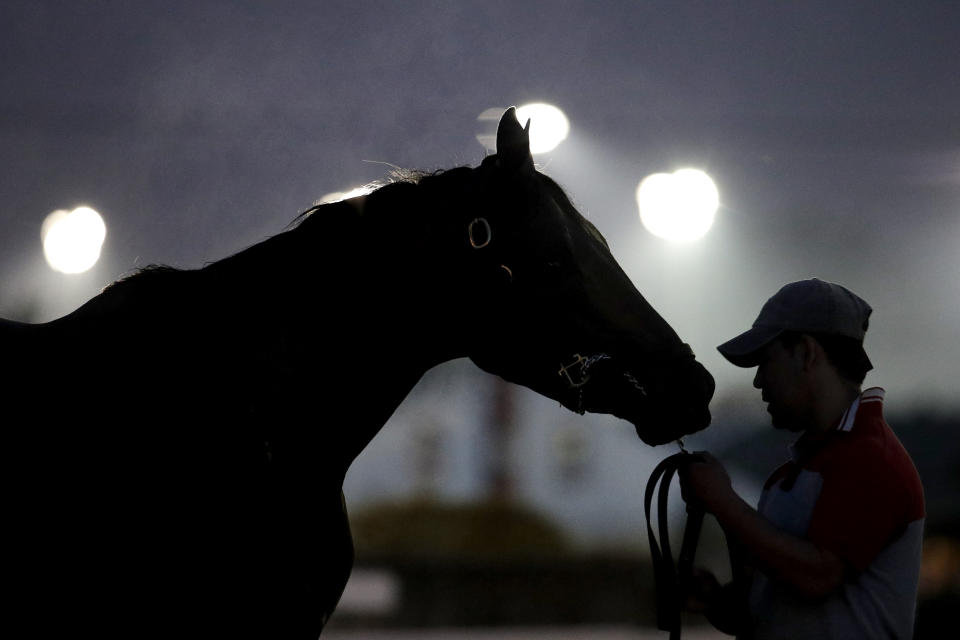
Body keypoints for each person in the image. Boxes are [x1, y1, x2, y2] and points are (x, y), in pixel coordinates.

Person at [679, 278, 925, 639]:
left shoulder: (873, 459)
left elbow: (817, 577)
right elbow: (779, 615)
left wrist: (722, 500)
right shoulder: (791, 475)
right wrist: (715, 602)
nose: (758, 381)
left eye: (766, 361)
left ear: (807, 352)